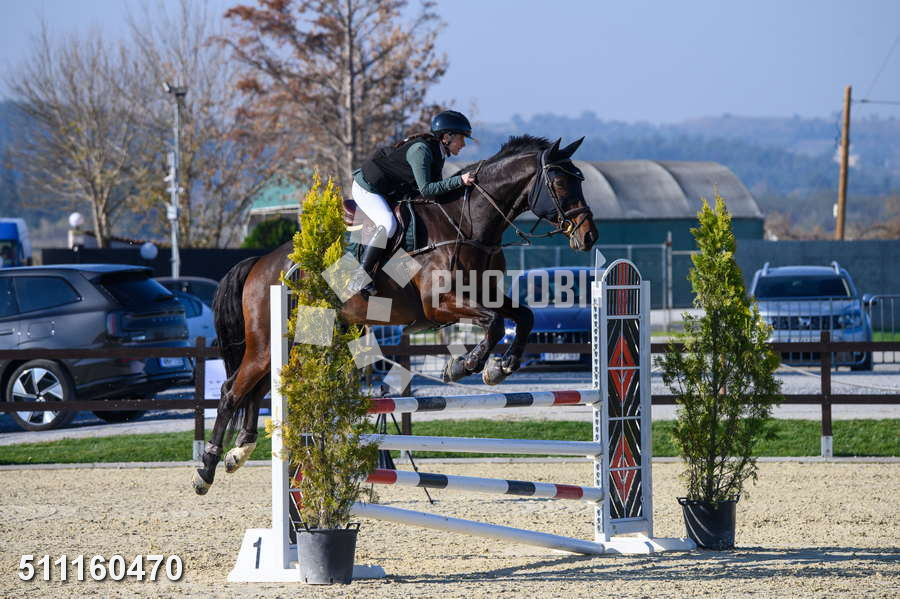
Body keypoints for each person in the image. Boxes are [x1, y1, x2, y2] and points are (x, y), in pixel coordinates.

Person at [348, 110, 477, 298]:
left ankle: (395, 279)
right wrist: (460, 181)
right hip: (368, 187)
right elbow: (427, 189)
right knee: (389, 224)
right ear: (446, 137)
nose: (463, 144)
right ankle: (360, 277)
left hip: (389, 189)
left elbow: (434, 191)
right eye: (461, 138)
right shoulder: (421, 150)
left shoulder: (439, 153)